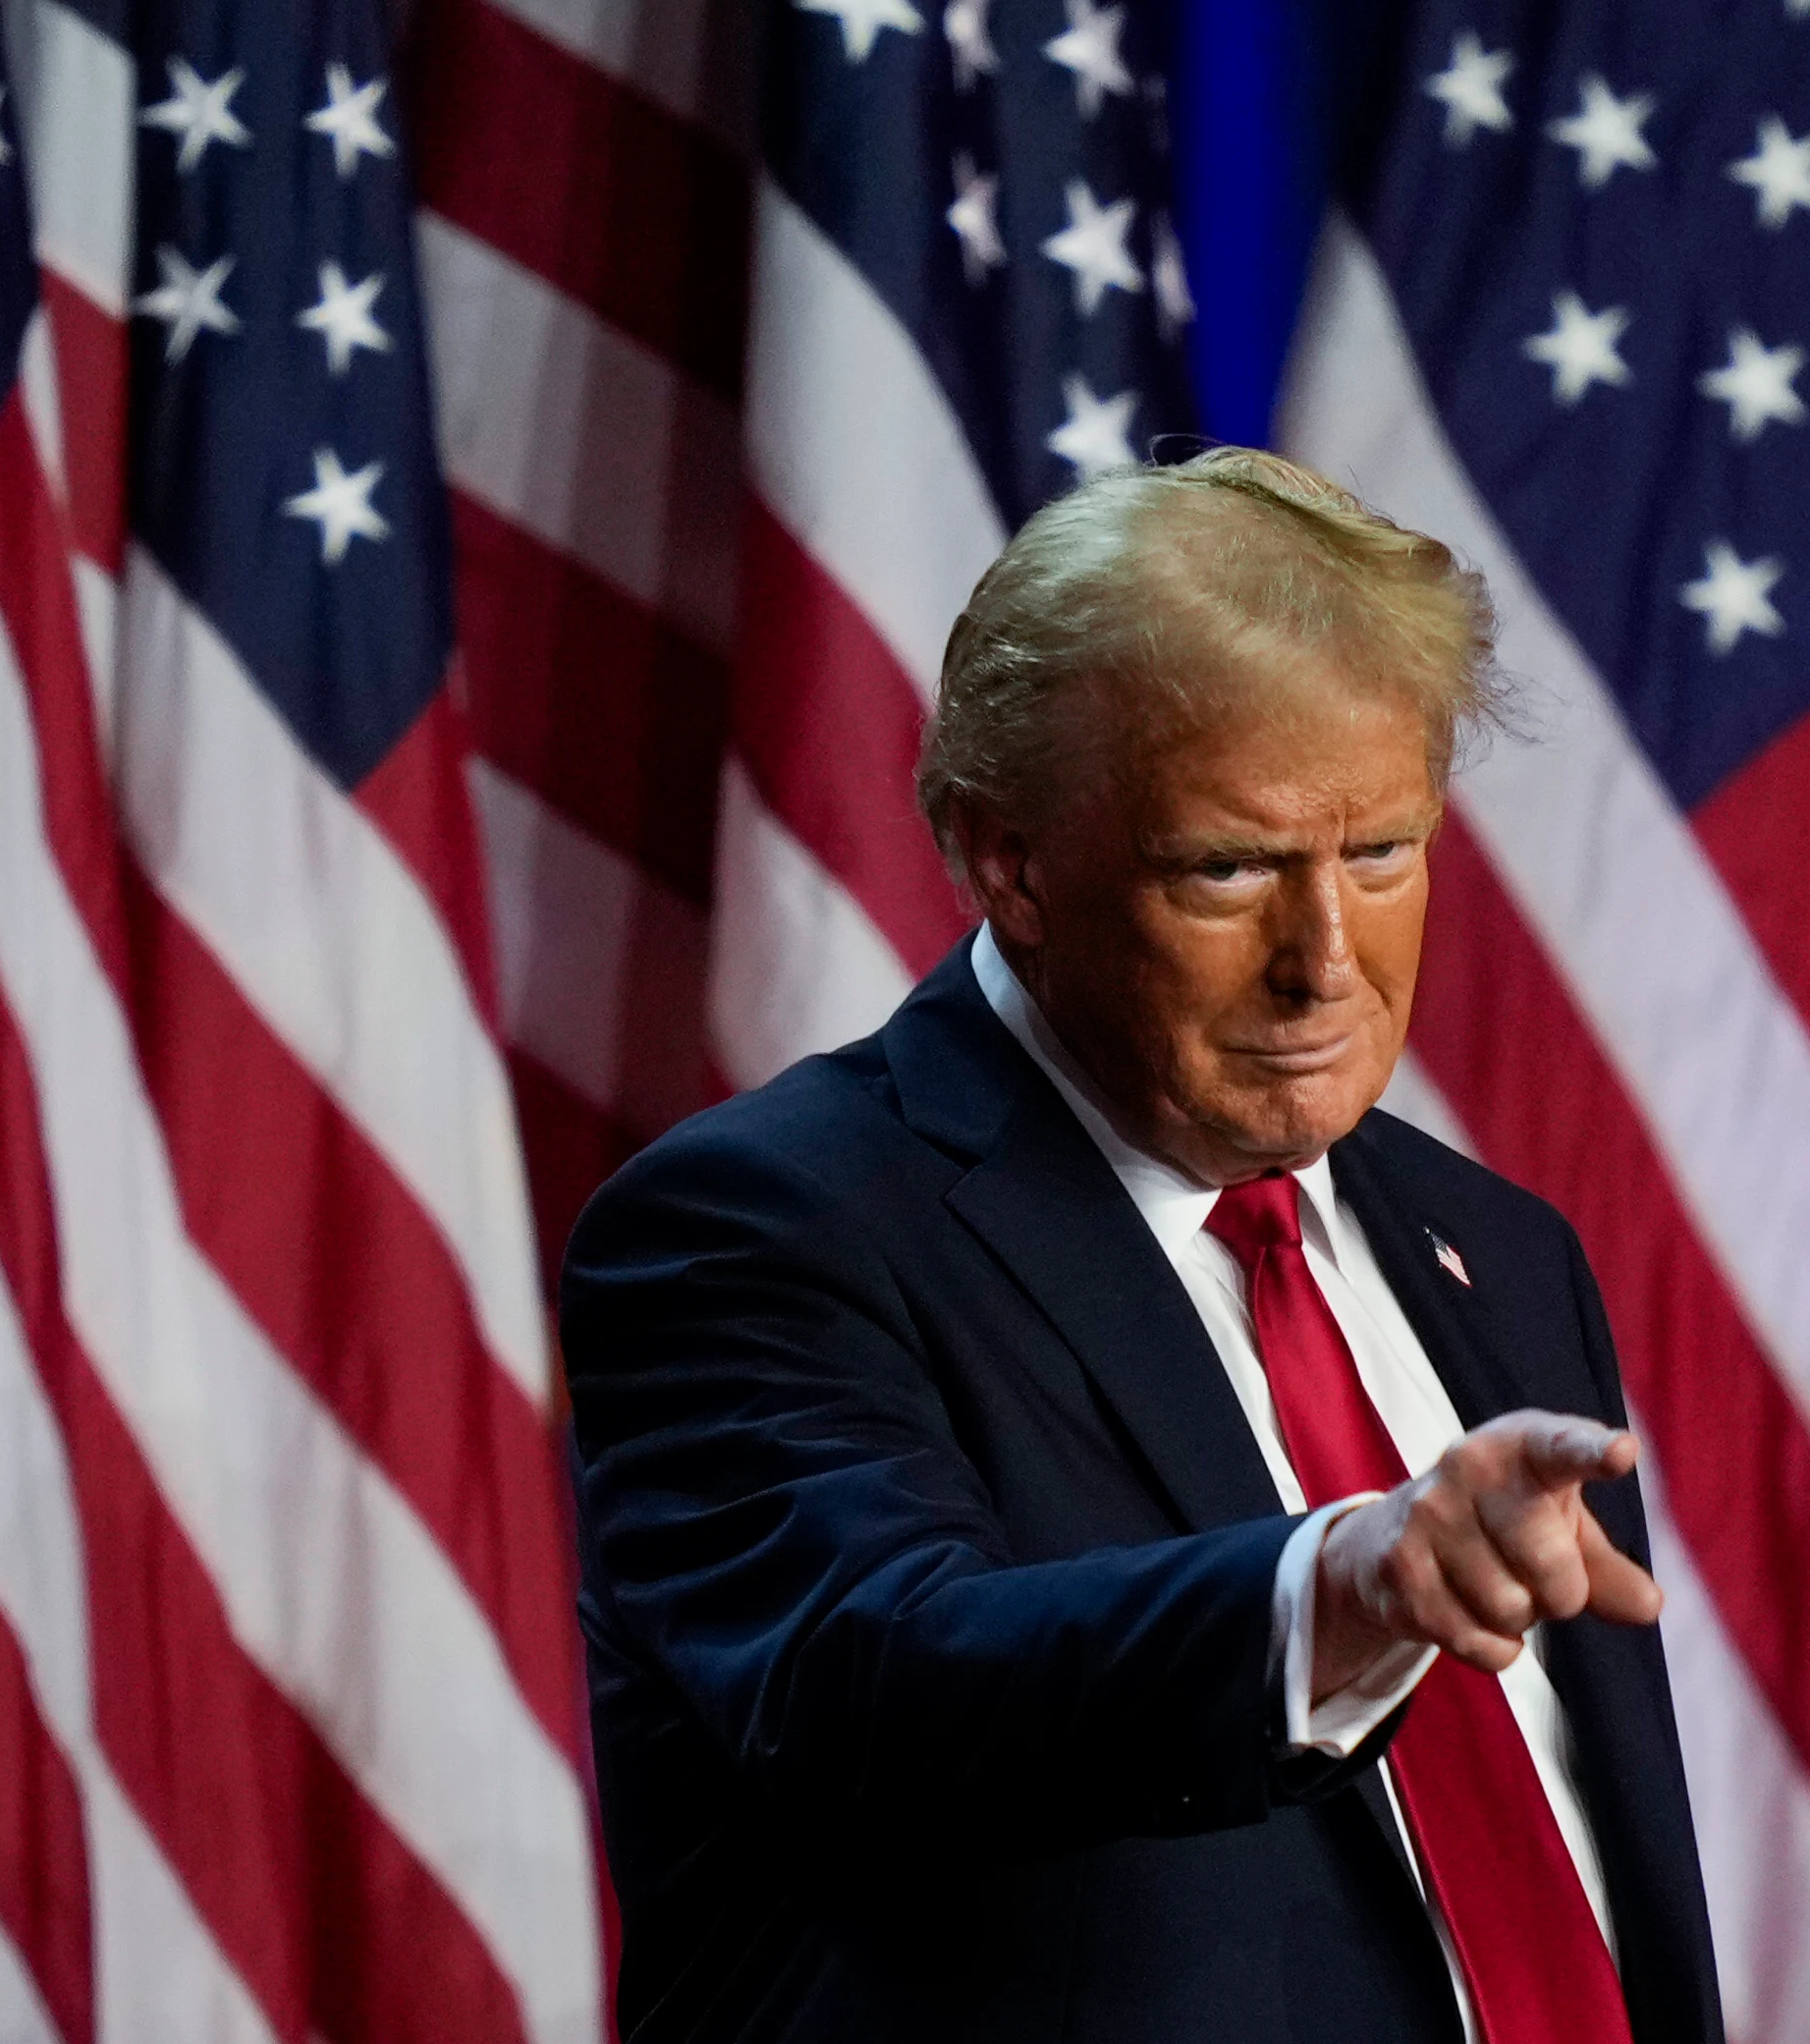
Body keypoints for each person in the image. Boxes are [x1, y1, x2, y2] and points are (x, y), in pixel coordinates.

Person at [561, 449, 1724, 2043]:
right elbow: (888, 1681)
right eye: (1229, 869)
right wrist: (1343, 1584)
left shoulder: (1500, 1255)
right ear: (1010, 863)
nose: (1325, 960)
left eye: (1380, 851)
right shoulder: (761, 1229)